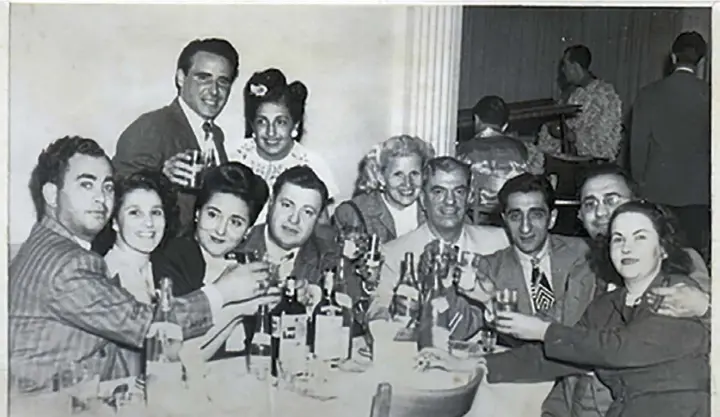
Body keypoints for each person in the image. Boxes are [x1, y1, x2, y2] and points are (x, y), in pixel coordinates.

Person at [9, 136, 278, 392]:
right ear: (52, 195)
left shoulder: (50, 246)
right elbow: (147, 327)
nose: (101, 198)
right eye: (86, 184)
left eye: (107, 187)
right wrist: (225, 293)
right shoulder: (69, 263)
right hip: (48, 403)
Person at [489, 201, 710, 417]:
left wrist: (545, 331)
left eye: (640, 237)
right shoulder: (605, 305)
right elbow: (559, 357)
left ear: (663, 249)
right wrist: (480, 366)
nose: (626, 247)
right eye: (618, 239)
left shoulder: (677, 291)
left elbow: (623, 349)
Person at [113, 38, 240, 234]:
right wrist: (160, 177)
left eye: (223, 81)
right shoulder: (151, 127)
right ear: (181, 78)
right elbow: (116, 191)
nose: (214, 91)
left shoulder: (216, 135)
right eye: (203, 77)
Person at [366, 156, 509, 322]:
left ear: (469, 197)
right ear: (422, 200)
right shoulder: (393, 254)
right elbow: (378, 311)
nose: (450, 201)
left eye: (459, 191)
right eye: (438, 192)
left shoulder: (499, 242)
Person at [629, 31, 710, 264]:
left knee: (657, 258)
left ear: (673, 57)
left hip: (657, 190)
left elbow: (637, 146)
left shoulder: (648, 93)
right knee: (693, 261)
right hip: (699, 193)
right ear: (700, 61)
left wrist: (640, 183)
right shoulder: (711, 94)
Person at [88, 171, 178, 376]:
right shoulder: (108, 275)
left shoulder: (160, 269)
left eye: (156, 212)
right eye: (135, 213)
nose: (149, 223)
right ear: (115, 223)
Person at [230, 68, 340, 222]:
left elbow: (322, 230)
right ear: (252, 125)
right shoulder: (234, 157)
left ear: (295, 126)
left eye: (280, 122)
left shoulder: (313, 166)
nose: (271, 132)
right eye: (262, 122)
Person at [334, 134, 434, 244]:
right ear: (381, 177)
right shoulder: (352, 213)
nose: (408, 183)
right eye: (398, 175)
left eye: (414, 174)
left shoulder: (434, 208)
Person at [537, 45, 623, 160]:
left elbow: (605, 144)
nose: (563, 70)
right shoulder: (572, 93)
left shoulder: (605, 95)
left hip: (593, 166)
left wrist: (571, 135)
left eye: (565, 65)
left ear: (575, 66)